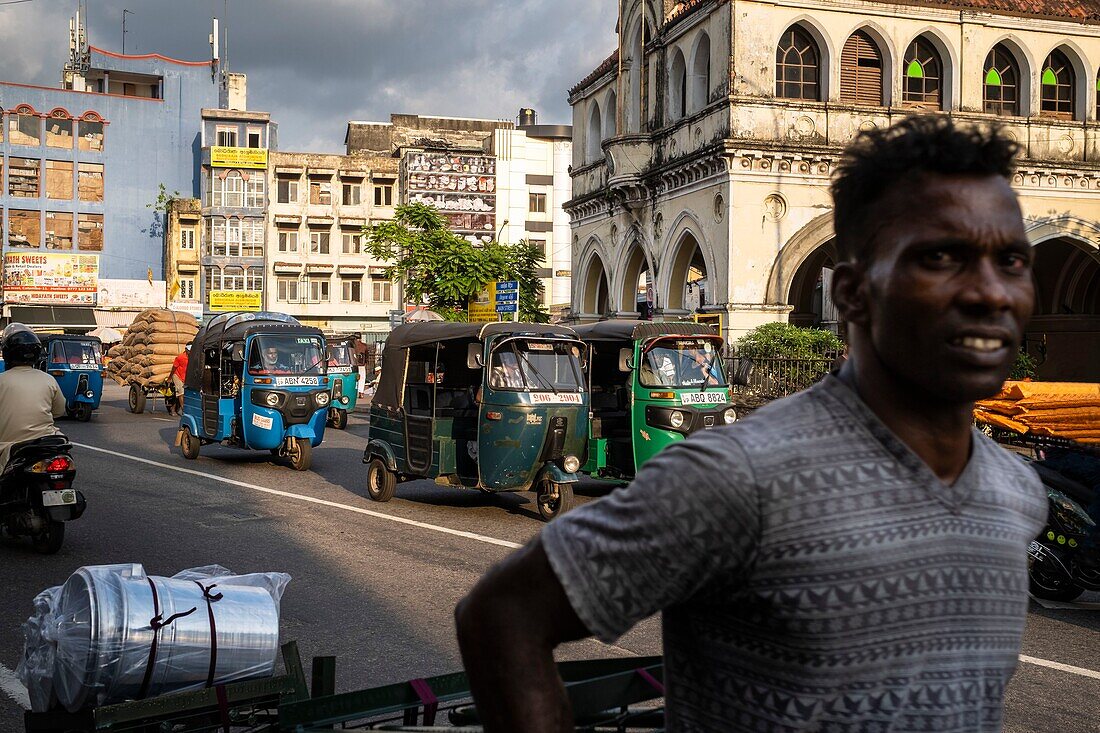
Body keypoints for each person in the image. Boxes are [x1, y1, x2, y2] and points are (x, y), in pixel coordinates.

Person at [455, 117, 1048, 733]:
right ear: (851, 294)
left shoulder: (1014, 492)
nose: (990, 292)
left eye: (1011, 261)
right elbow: (503, 617)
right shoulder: (744, 477)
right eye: (940, 258)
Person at [0, 325, 66, 470]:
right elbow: (59, 411)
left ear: (7, 354)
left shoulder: (2, 380)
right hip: (46, 444)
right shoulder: (49, 380)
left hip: (9, 448)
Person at [170, 343, 190, 416]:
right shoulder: (180, 357)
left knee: (179, 394)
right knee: (181, 392)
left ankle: (173, 408)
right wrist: (170, 377)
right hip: (177, 375)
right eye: (189, 351)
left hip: (185, 377)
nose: (190, 352)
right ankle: (184, 411)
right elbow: (174, 368)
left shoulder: (193, 357)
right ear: (186, 350)